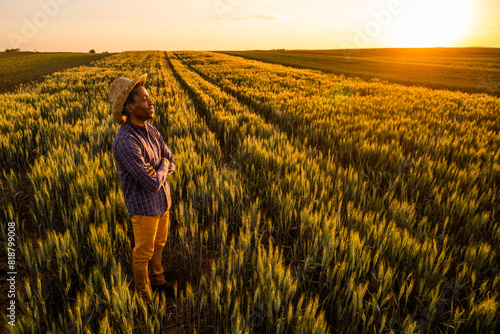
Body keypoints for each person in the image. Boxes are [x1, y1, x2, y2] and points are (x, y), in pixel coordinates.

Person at [109, 74, 176, 303]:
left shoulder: (152, 129)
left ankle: (157, 281)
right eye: (145, 99)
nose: (151, 102)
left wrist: (162, 167)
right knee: (143, 253)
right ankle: (144, 296)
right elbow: (150, 182)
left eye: (149, 98)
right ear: (129, 106)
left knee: (159, 245)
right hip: (144, 208)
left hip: (162, 202)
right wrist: (163, 168)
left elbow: (169, 158)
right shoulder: (126, 141)